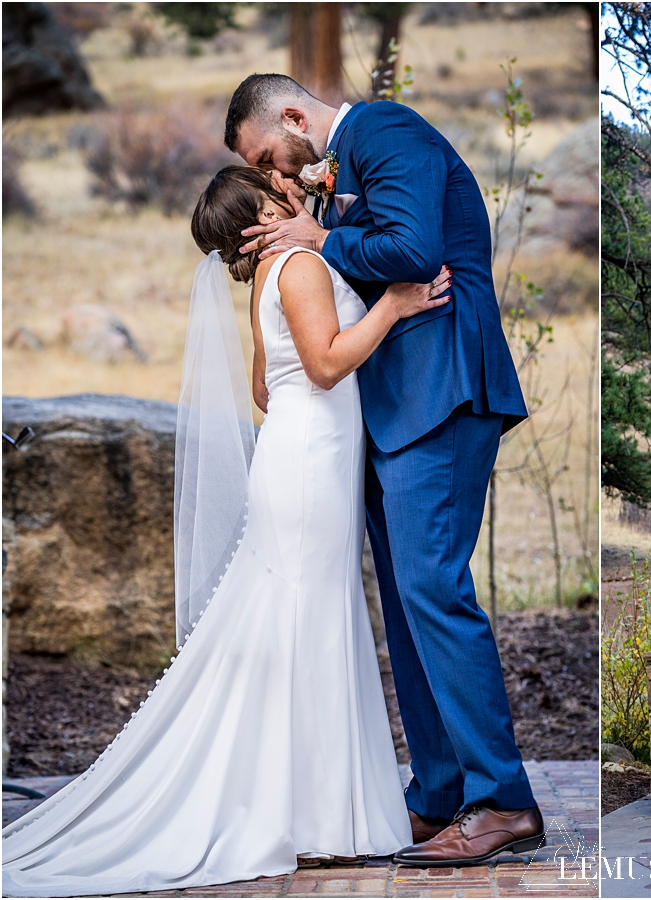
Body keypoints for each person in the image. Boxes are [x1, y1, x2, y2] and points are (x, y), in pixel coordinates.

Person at [3, 167, 451, 895]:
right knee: (308, 622)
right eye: (273, 186)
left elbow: (263, 387)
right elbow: (327, 364)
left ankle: (310, 811)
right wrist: (395, 306)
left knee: (300, 621)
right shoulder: (301, 264)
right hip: (313, 461)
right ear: (264, 212)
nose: (288, 183)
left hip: (299, 453)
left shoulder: (272, 273)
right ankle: (313, 819)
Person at [223, 74, 543, 866]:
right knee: (407, 602)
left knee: (433, 586)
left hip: (443, 388)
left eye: (271, 153)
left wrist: (319, 238)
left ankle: (502, 799)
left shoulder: (387, 131)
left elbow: (412, 250)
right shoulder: (332, 180)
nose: (277, 174)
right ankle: (437, 793)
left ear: (296, 117)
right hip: (390, 407)